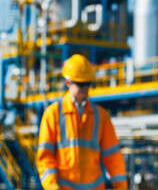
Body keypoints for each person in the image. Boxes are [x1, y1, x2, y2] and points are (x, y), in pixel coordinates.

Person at [36, 54, 128, 190]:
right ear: (68, 82)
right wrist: (51, 186)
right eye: (81, 84)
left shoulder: (100, 116)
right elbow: (45, 156)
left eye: (88, 84)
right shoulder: (53, 113)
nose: (85, 89)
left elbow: (113, 155)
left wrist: (121, 186)